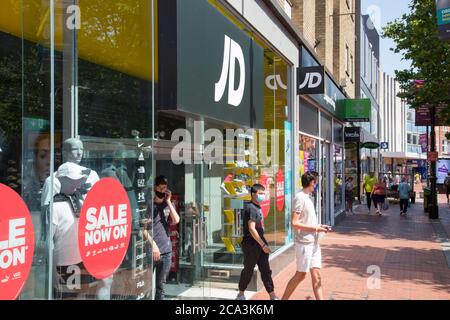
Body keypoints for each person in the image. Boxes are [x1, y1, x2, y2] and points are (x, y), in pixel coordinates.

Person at [282, 173, 331, 300]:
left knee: (317, 275)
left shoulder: (308, 197)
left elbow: (306, 220)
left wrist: (320, 226)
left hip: (313, 243)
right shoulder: (300, 198)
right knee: (301, 275)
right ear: (311, 182)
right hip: (304, 243)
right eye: (315, 182)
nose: (316, 185)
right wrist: (316, 228)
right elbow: (295, 223)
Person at [236, 184, 279, 300]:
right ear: (253, 194)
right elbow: (251, 228)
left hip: (260, 242)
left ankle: (272, 295)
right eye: (260, 193)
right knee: (248, 270)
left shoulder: (257, 207)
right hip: (251, 244)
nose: (263, 196)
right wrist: (263, 245)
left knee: (265, 270)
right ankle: (240, 294)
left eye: (263, 193)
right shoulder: (251, 208)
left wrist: (263, 244)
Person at [145, 175, 180, 300]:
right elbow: (142, 229)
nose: (162, 191)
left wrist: (169, 201)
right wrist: (153, 245)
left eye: (164, 188)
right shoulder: (149, 204)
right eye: (160, 188)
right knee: (146, 286)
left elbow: (176, 220)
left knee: (161, 287)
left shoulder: (166, 204)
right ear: (155, 188)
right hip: (152, 251)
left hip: (166, 251)